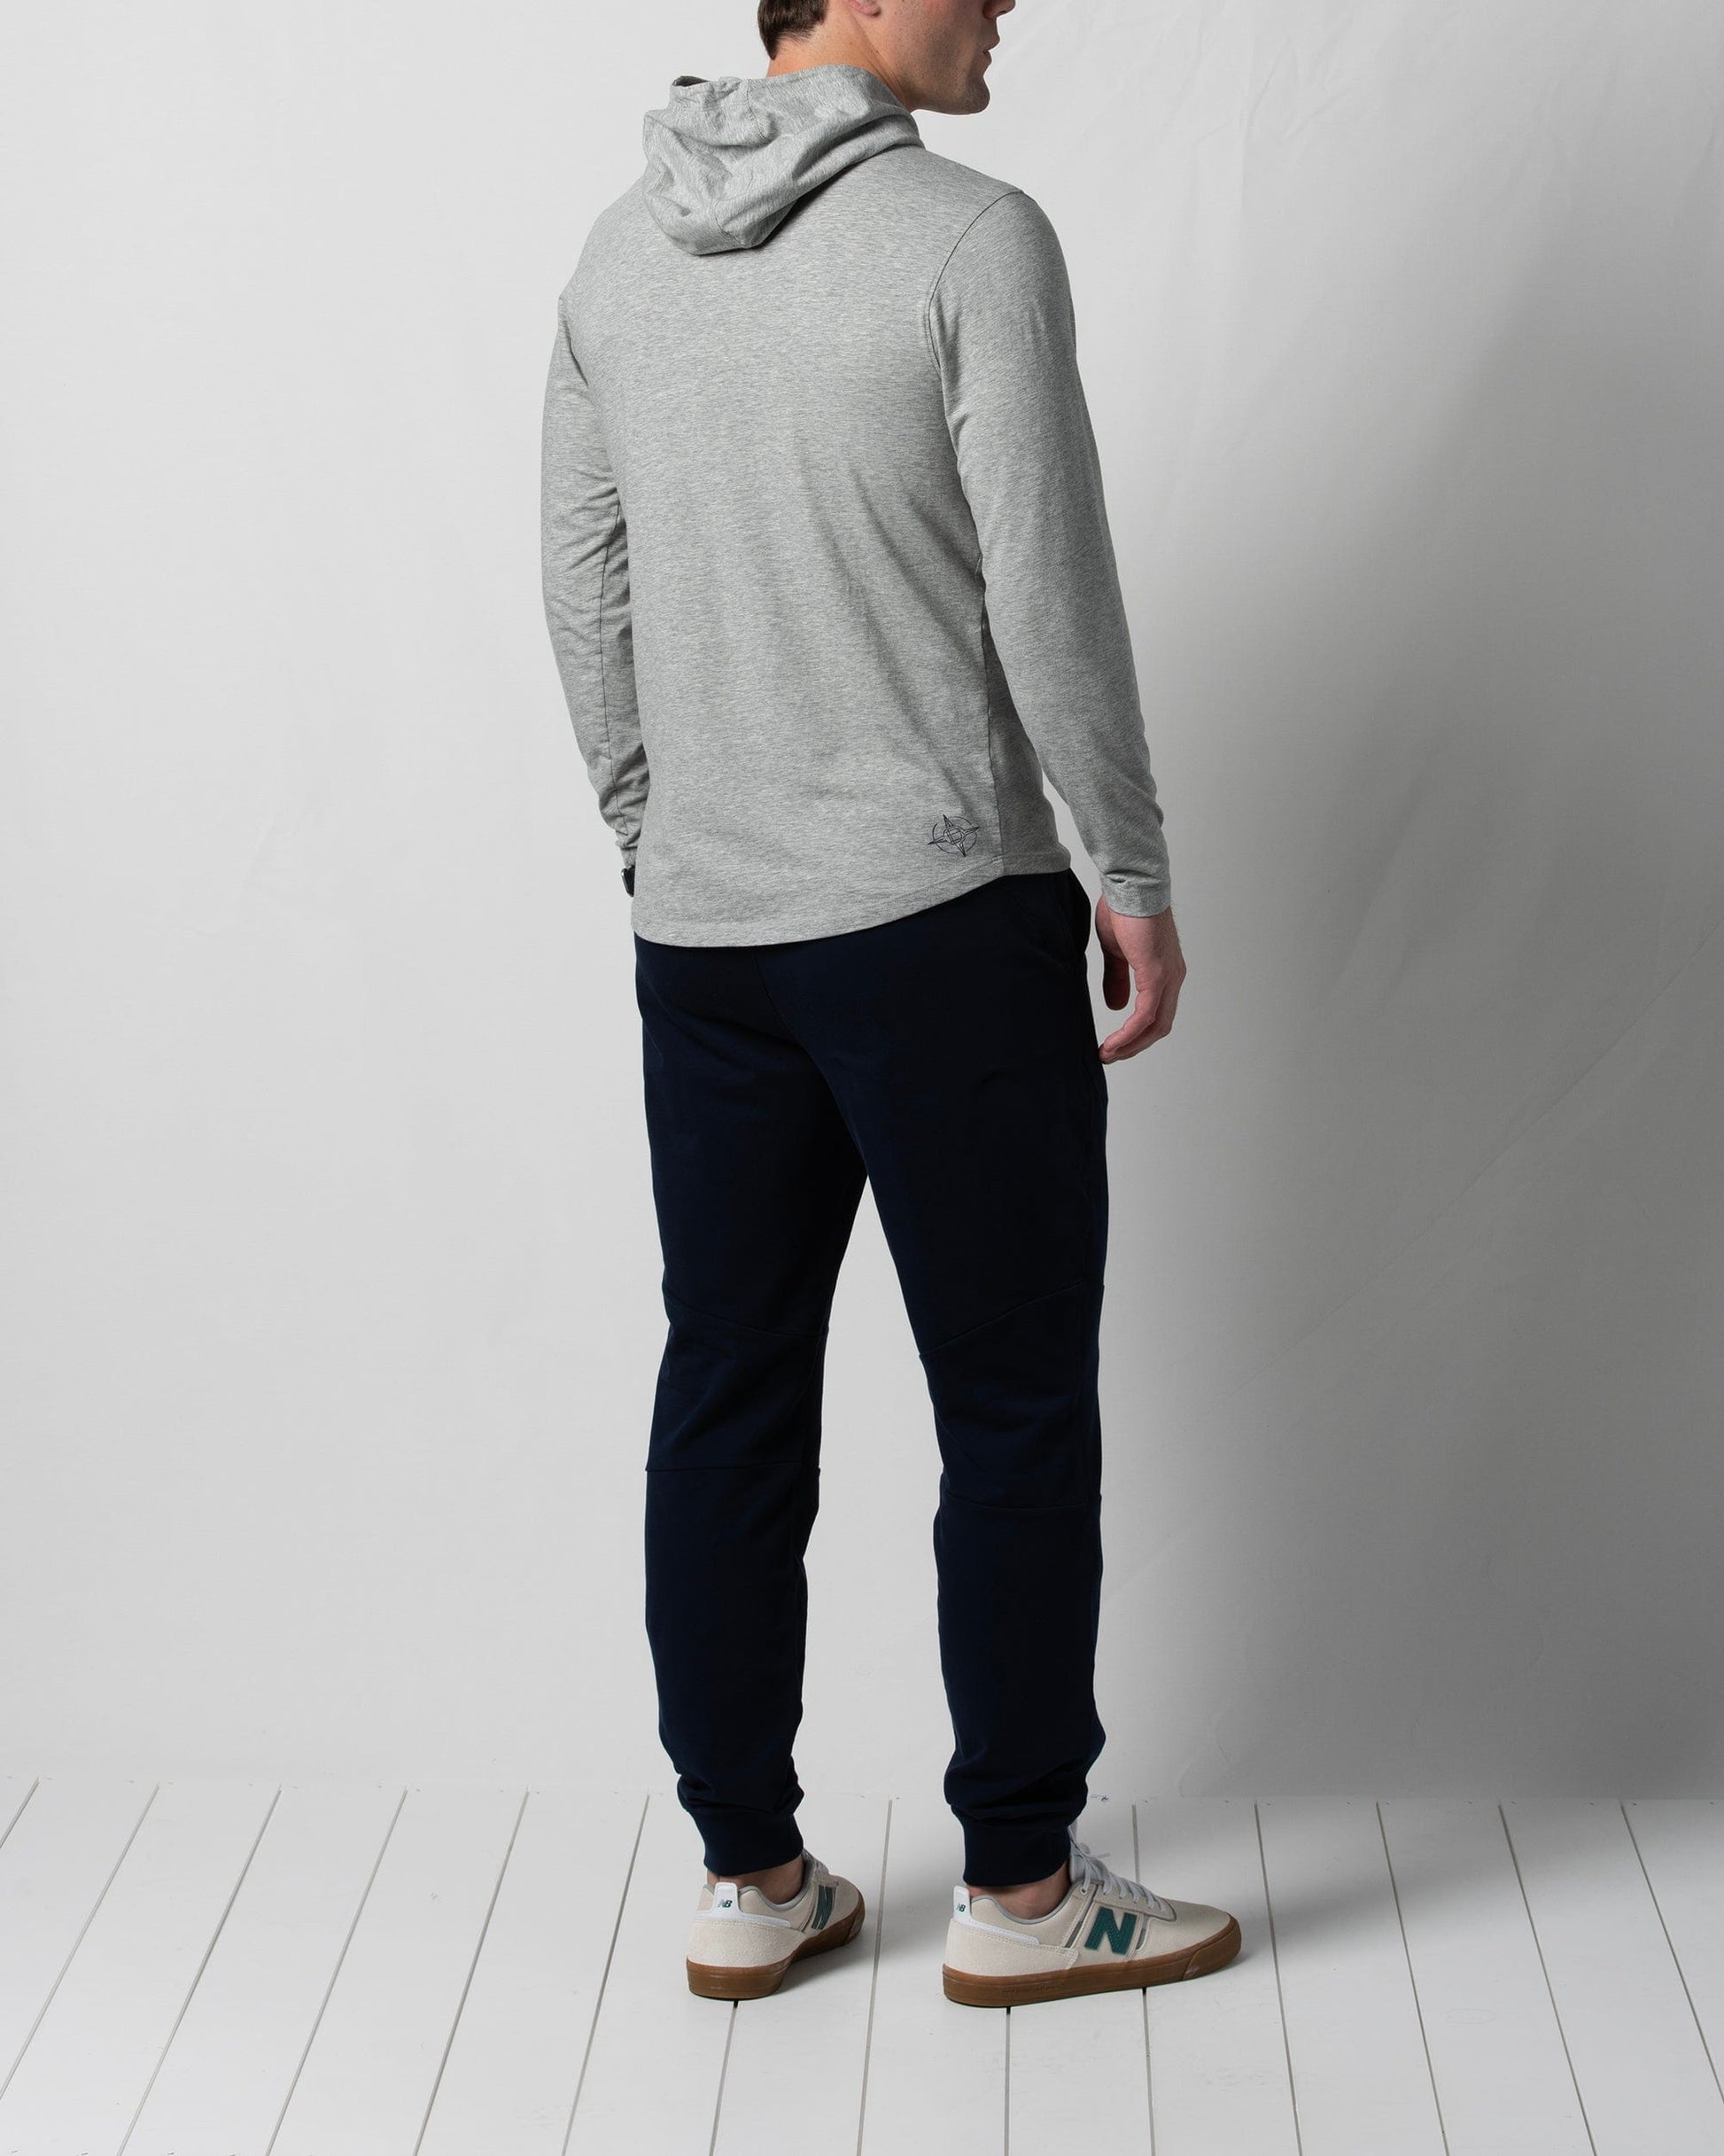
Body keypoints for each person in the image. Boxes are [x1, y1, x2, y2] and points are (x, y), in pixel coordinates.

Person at [540, 0, 1239, 2008]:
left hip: (708, 939)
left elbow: (582, 579)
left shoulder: (616, 252)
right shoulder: (969, 238)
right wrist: (1128, 865)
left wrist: (658, 828)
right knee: (1008, 1399)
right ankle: (1018, 1884)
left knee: (728, 1386)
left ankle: (748, 1874)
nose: (1008, 4)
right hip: (942, 920)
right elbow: (1047, 580)